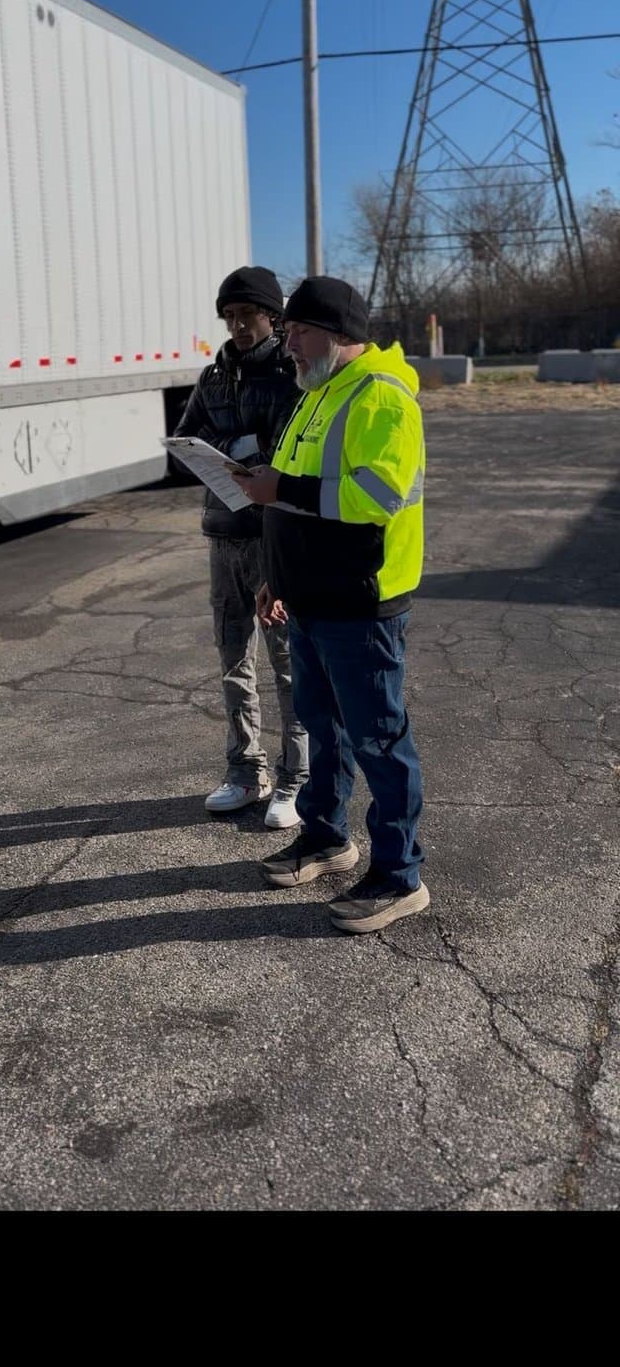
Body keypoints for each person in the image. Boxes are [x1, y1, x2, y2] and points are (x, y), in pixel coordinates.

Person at [233, 275, 429, 934]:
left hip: (361, 601)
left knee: (379, 740)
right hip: (311, 596)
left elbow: (376, 497)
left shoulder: (379, 395)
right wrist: (275, 576)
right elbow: (290, 501)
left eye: (297, 331)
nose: (287, 342)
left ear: (339, 336)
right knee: (323, 725)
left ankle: (400, 878)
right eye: (287, 330)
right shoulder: (316, 394)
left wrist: (277, 487)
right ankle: (325, 838)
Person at [175, 266, 308, 827]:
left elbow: (287, 453)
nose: (238, 327)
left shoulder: (290, 376)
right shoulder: (212, 378)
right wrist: (234, 448)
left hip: (271, 536)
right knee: (233, 660)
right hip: (222, 534)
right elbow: (186, 444)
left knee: (287, 665)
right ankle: (243, 771)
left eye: (247, 316)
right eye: (230, 318)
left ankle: (295, 779)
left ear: (271, 316)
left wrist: (236, 448)